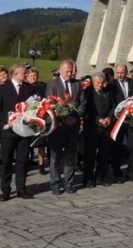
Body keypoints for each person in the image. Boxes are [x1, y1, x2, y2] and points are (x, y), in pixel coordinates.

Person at [0, 64, 34, 201]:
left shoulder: (29, 88)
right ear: (15, 74)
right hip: (9, 132)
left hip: (24, 131)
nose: (26, 74)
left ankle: (21, 189)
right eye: (24, 73)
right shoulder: (3, 88)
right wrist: (8, 120)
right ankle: (5, 190)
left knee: (22, 160)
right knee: (6, 161)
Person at [45, 59, 84, 196]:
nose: (69, 74)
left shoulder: (77, 84)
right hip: (58, 126)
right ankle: (55, 182)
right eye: (67, 71)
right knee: (55, 156)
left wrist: (75, 116)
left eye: (71, 71)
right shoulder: (52, 85)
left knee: (70, 155)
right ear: (60, 70)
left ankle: (69, 182)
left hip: (73, 126)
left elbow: (82, 102)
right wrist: (63, 118)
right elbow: (50, 104)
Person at [82, 72, 116, 188]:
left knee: (104, 154)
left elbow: (113, 106)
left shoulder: (108, 92)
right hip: (92, 128)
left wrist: (109, 117)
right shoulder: (88, 93)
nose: (100, 85)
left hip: (106, 127)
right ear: (93, 82)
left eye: (102, 83)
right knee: (90, 155)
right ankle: (88, 179)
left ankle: (101, 177)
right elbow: (87, 110)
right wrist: (97, 120)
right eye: (98, 83)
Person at [110, 63, 133, 182]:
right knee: (117, 146)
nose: (120, 75)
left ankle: (131, 171)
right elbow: (111, 101)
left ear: (126, 72)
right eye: (117, 73)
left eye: (122, 73)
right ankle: (117, 172)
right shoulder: (112, 85)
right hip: (118, 119)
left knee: (132, 145)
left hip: (131, 119)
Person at [25, 67, 48, 175]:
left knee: (41, 144)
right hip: (28, 118)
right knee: (26, 144)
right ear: (26, 77)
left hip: (40, 117)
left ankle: (41, 165)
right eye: (31, 76)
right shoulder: (24, 87)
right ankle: (25, 164)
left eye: (35, 75)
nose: (33, 77)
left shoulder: (42, 86)